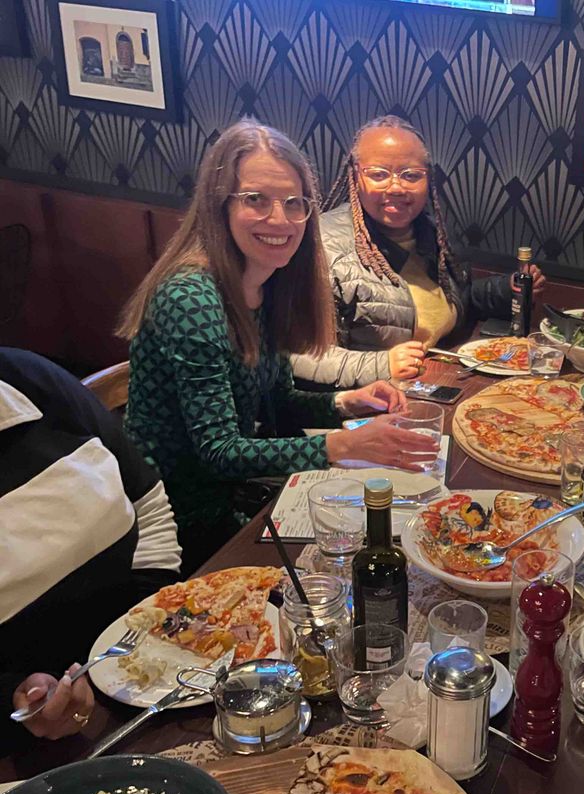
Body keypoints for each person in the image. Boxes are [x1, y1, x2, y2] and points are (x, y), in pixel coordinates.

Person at [118, 119, 437, 573]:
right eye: (255, 200)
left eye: (294, 203)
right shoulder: (191, 296)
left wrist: (348, 402)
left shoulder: (269, 283)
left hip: (247, 496)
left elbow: (277, 402)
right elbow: (219, 452)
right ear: (218, 204)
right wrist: (342, 447)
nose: (280, 220)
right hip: (184, 525)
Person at [0, 348, 182, 744]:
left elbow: (146, 500)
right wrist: (12, 700)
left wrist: (148, 618)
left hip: (159, 674)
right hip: (36, 743)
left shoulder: (26, 376)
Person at [290, 115, 546, 388]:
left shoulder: (432, 233)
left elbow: (451, 301)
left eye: (411, 175)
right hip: (362, 409)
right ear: (355, 177)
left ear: (428, 180)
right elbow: (297, 355)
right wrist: (382, 365)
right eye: (379, 174)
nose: (397, 187)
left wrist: (507, 290)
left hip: (431, 384)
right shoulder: (319, 247)